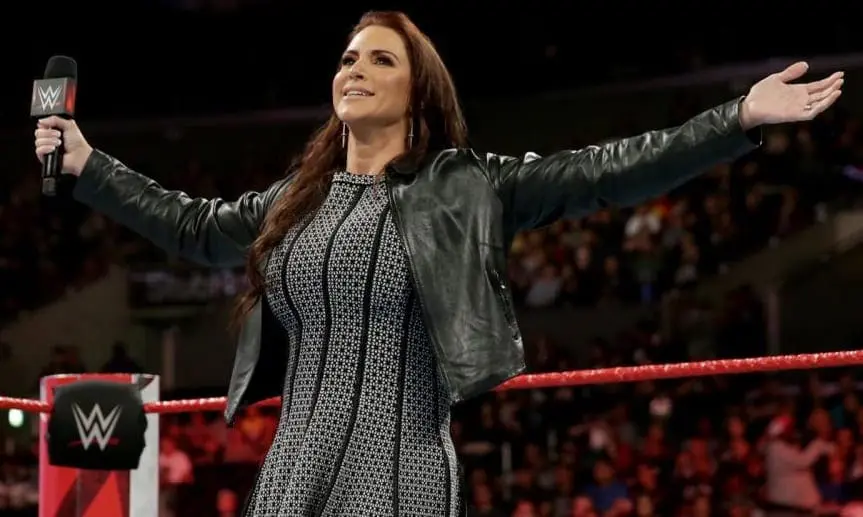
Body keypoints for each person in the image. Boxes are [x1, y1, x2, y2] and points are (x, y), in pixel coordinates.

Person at [33, 10, 843, 517]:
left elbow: (604, 170)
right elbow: (190, 225)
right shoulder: (292, 201)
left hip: (398, 475)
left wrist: (734, 117)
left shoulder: (465, 185)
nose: (355, 69)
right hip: (288, 476)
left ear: (419, 93)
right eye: (348, 57)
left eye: (380, 59)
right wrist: (88, 165)